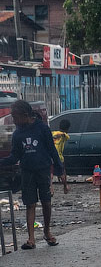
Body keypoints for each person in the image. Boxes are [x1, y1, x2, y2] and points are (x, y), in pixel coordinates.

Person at [1, 100, 66, 249]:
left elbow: (52, 150)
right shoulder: (17, 134)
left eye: (15, 117)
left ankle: (47, 232)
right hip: (27, 172)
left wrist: (59, 170)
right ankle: (31, 239)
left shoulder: (42, 128)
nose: (14, 120)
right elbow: (14, 156)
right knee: (30, 204)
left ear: (25, 115)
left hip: (43, 170)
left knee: (46, 202)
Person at [52, 118, 71, 186]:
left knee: (50, 172)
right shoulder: (65, 135)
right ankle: (65, 186)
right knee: (63, 171)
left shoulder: (53, 133)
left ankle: (51, 188)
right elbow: (66, 136)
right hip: (59, 157)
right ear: (67, 129)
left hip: (51, 156)